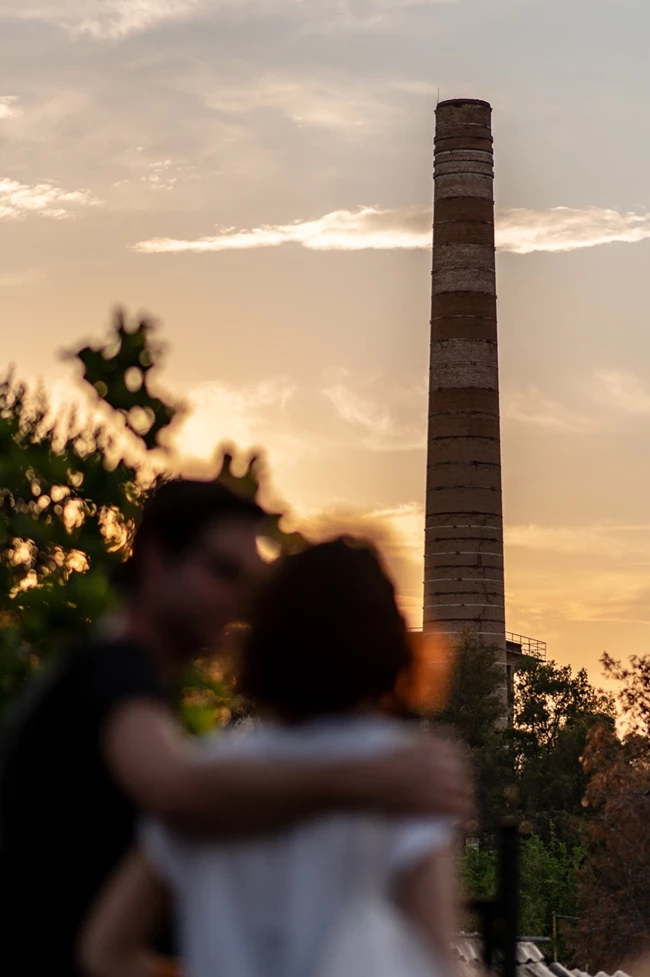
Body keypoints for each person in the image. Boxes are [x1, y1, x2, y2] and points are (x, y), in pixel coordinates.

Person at [0, 480, 469, 976]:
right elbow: (175, 788)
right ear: (158, 557)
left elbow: (109, 946)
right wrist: (371, 780)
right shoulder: (114, 681)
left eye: (252, 585)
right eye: (225, 572)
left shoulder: (213, 760)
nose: (237, 602)